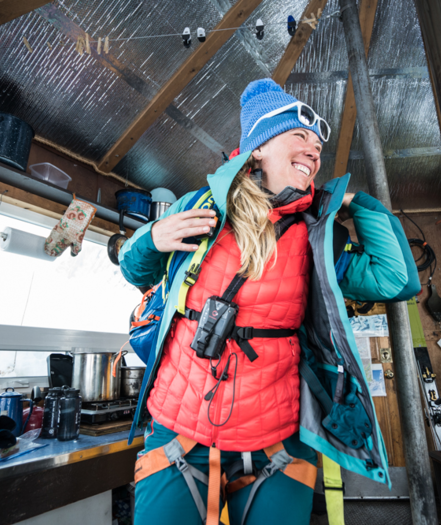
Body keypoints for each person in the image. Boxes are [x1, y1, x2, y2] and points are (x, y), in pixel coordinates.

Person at [119, 79, 419, 525]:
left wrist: (360, 205)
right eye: (300, 137)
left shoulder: (319, 236)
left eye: (317, 146)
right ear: (257, 149)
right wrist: (150, 239)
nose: (314, 151)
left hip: (275, 442)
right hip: (178, 430)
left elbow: (395, 280)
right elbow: (136, 271)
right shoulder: (201, 206)